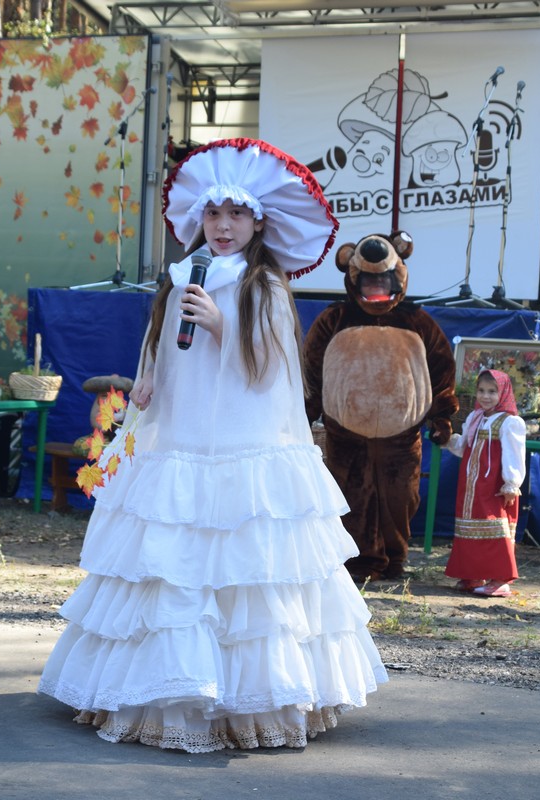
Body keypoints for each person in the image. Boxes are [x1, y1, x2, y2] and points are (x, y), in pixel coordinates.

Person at [38, 138, 387, 752]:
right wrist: (146, 376)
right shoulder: (180, 280)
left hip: (239, 442)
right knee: (174, 566)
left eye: (236, 216)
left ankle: (250, 700)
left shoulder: (266, 287)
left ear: (258, 222)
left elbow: (278, 375)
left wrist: (227, 326)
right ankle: (159, 691)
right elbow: (160, 346)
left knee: (241, 569)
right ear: (198, 219)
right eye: (213, 214)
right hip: (180, 436)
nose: (223, 227)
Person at [443, 369, 526, 598]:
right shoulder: (475, 418)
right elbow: (463, 448)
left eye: (492, 391)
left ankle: (500, 579)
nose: (485, 396)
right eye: (481, 391)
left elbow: (514, 454)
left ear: (504, 392)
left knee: (494, 527)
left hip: (494, 486)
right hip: (472, 484)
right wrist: (447, 438)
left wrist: (511, 483)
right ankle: (473, 573)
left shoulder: (510, 422)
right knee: (471, 525)